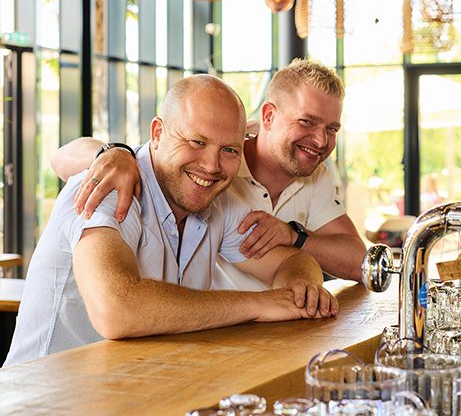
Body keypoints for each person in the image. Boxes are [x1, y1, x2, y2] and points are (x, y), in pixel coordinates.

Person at [3, 75, 337, 367]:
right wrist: (261, 304)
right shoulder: (108, 187)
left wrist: (302, 289)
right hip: (46, 401)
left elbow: (293, 260)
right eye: (197, 142)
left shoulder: (219, 204)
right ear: (158, 133)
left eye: (229, 150)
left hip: (137, 395)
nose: (212, 166)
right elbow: (116, 309)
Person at [52, 59, 366, 290]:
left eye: (331, 129)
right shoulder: (167, 174)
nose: (321, 140)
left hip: (231, 345)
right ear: (269, 115)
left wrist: (293, 237)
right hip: (204, 339)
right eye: (308, 121)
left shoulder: (308, 174)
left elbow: (356, 261)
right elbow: (63, 157)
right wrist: (115, 153)